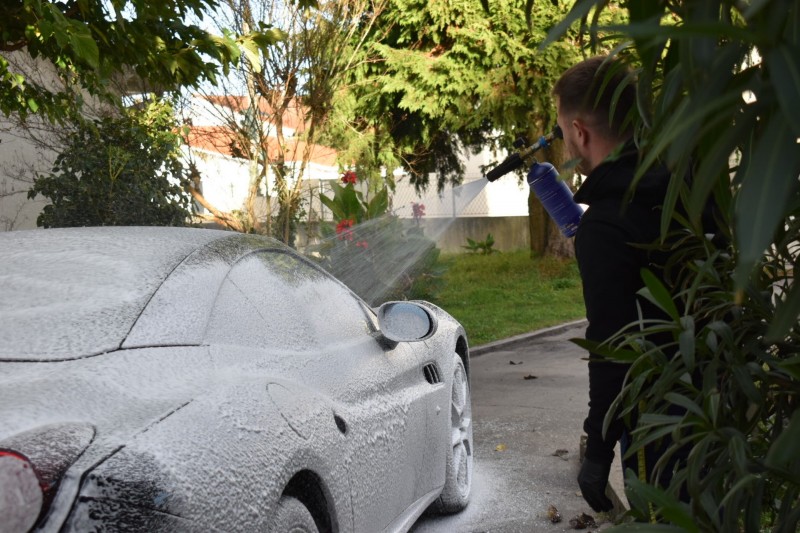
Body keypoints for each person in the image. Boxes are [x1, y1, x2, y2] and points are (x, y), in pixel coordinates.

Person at [552, 55, 675, 513]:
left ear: (581, 132)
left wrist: (599, 451)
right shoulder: (681, 186)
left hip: (656, 420)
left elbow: (612, 348)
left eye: (564, 132)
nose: (565, 142)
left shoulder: (605, 226)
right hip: (716, 412)